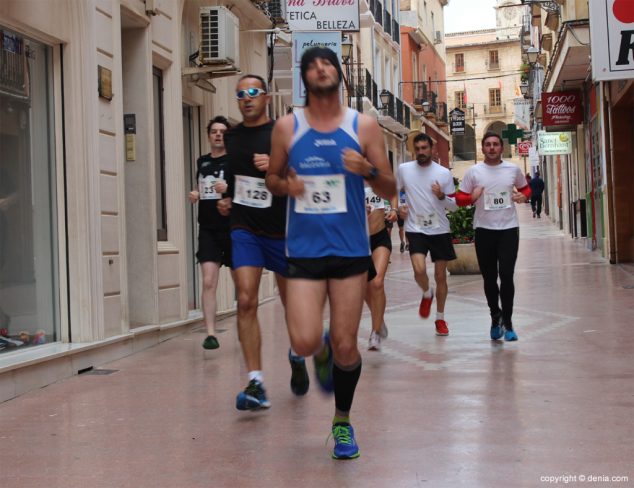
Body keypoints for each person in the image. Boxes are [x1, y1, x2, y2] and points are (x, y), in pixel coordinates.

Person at [265, 47, 396, 459]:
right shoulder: (287, 127)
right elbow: (270, 178)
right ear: (305, 78)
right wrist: (286, 186)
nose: (321, 69)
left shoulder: (365, 127)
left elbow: (390, 188)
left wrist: (368, 171)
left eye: (328, 64)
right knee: (304, 341)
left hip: (349, 250)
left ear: (340, 74)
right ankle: (316, 350)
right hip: (303, 250)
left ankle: (342, 421)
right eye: (312, 65)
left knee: (346, 345)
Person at [217, 74, 309, 411]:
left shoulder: (283, 133)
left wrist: (278, 168)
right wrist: (226, 197)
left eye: (253, 92)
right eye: (240, 94)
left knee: (293, 306)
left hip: (283, 230)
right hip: (245, 228)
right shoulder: (233, 137)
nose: (247, 98)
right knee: (245, 300)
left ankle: (297, 355)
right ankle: (255, 381)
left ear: (266, 97)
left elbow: (305, 179)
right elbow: (234, 179)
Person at [456, 131, 531, 341]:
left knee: (506, 275)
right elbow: (460, 198)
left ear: (501, 148)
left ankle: (507, 322)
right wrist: (472, 197)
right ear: (482, 148)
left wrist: (522, 197)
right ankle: (494, 316)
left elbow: (526, 190)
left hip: (508, 229)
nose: (491, 148)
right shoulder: (474, 172)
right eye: (488, 144)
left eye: (495, 144)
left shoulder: (512, 170)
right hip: (484, 230)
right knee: (489, 278)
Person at [397, 133, 457, 336]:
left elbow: (455, 205)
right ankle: (426, 293)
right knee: (419, 269)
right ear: (414, 150)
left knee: (441, 276)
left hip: (439, 229)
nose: (421, 152)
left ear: (431, 149)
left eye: (425, 148)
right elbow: (394, 192)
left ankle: (440, 319)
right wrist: (398, 208)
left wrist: (441, 196)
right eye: (418, 149)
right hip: (416, 228)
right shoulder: (404, 170)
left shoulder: (443, 173)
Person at [188, 116, 232, 350]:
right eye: (214, 131)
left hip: (234, 228)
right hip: (208, 228)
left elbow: (247, 190)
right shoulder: (202, 161)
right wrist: (195, 193)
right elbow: (202, 187)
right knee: (208, 282)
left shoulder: (235, 161)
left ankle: (248, 328)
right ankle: (211, 334)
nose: (217, 135)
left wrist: (229, 189)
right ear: (208, 135)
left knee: (243, 286)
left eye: (222, 131)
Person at [365, 185, 397, 351]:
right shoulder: (348, 177)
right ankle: (379, 319)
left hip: (380, 238)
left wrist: (394, 209)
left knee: (377, 282)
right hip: (358, 240)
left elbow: (392, 192)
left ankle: (375, 332)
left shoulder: (376, 177)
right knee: (363, 286)